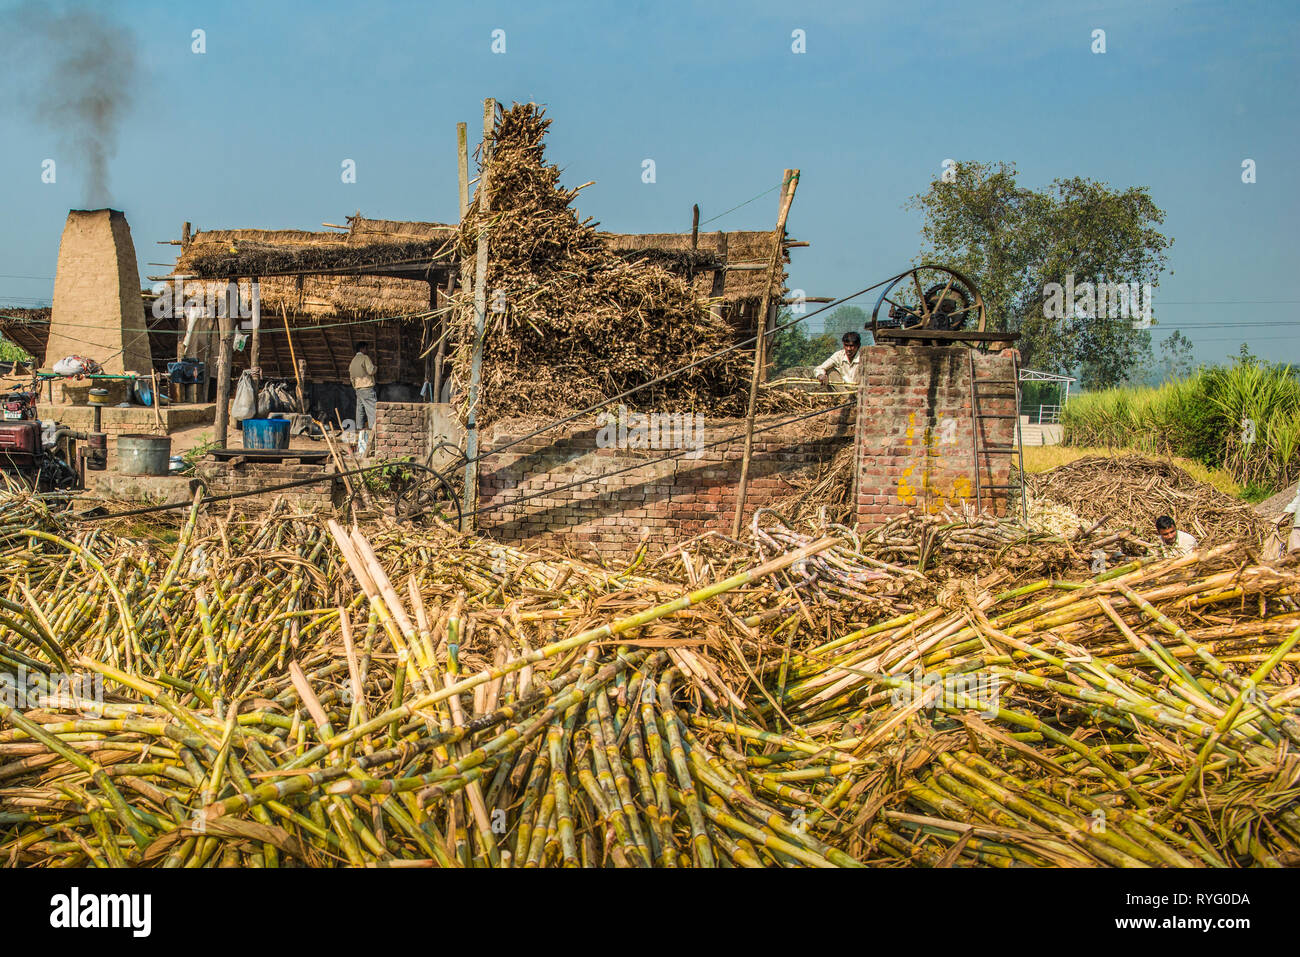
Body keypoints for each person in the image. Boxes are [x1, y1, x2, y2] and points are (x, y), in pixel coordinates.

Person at [349, 343, 377, 435]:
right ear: (362, 349)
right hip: (367, 387)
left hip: (358, 388)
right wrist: (376, 368)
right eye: (366, 348)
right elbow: (371, 370)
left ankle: (359, 429)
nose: (367, 350)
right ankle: (373, 432)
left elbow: (351, 377)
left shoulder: (353, 361)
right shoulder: (365, 358)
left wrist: (356, 387)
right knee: (372, 410)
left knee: (360, 411)